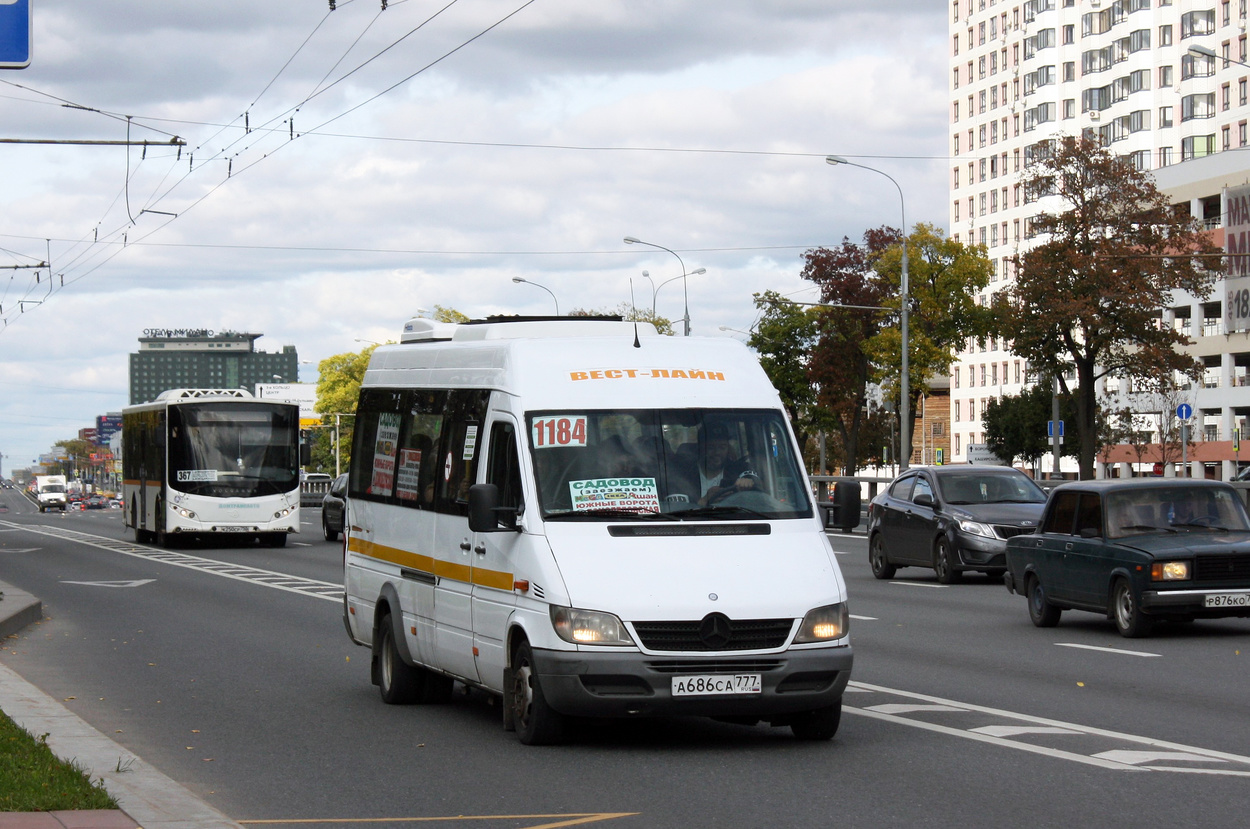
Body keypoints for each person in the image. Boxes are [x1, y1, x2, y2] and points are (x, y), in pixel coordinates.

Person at [688, 421, 758, 506]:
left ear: (728, 448)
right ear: (700, 448)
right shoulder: (686, 474)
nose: (717, 452)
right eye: (710, 447)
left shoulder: (739, 469)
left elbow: (759, 485)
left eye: (722, 447)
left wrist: (748, 482)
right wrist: (704, 500)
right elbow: (676, 508)